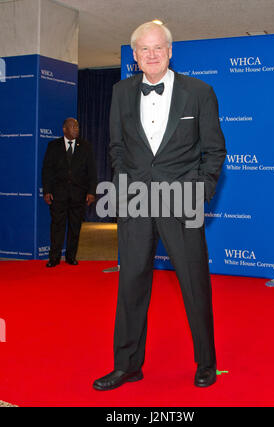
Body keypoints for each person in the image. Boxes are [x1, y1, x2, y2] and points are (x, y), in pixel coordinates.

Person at [93, 22, 226, 391]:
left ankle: (206, 362)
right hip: (135, 202)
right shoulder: (120, 92)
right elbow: (116, 147)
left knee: (194, 284)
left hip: (182, 199)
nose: (151, 55)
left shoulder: (199, 92)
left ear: (170, 51)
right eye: (144, 50)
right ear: (134, 56)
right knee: (131, 285)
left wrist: (198, 192)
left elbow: (214, 151)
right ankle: (127, 366)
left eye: (158, 48)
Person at [42, 118, 97, 267]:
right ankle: (54, 258)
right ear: (64, 129)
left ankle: (71, 257)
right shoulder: (53, 146)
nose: (76, 129)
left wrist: (91, 192)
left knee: (75, 227)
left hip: (78, 195)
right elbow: (47, 170)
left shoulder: (85, 146)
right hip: (58, 194)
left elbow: (92, 172)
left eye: (77, 126)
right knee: (57, 227)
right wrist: (46, 191)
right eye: (72, 127)